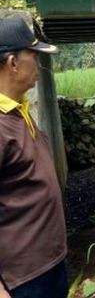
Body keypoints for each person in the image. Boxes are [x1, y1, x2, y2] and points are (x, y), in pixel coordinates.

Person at [0, 15, 66, 298]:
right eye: (33, 55)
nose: (38, 63)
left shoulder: (19, 111)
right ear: (13, 63)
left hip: (51, 265)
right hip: (21, 280)